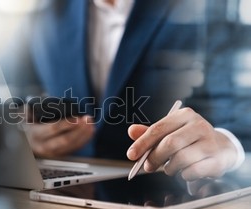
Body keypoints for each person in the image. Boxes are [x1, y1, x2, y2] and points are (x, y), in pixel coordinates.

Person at [16, 0, 245, 181]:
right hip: (65, 198)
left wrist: (227, 143)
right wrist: (27, 138)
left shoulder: (211, 8)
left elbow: (238, 106)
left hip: (168, 194)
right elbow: (20, 104)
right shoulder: (43, 14)